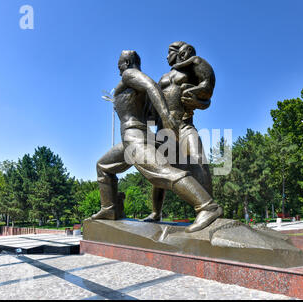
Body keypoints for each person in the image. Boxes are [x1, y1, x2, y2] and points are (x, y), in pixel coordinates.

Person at [93, 50, 223, 233]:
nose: (118, 69)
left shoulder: (130, 74)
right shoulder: (135, 88)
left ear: (128, 62)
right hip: (131, 139)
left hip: (135, 137)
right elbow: (152, 107)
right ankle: (109, 208)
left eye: (120, 64)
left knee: (162, 173)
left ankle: (207, 206)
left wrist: (166, 115)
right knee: (103, 166)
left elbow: (151, 86)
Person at [144, 41, 216, 222]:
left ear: (179, 52)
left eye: (169, 52)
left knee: (199, 160)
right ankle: (156, 213)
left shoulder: (191, 70)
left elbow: (206, 100)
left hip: (184, 124)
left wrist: (198, 102)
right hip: (163, 128)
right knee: (160, 169)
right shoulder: (163, 77)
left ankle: (208, 210)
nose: (166, 56)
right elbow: (152, 106)